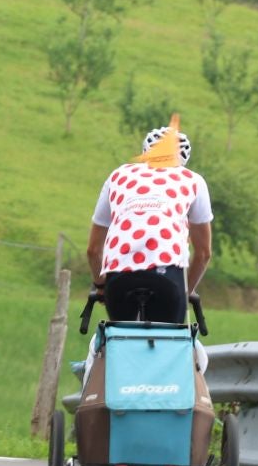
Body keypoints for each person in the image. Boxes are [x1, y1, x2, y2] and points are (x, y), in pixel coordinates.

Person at [86, 126, 212, 324]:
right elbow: (203, 253)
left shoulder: (118, 175)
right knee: (169, 346)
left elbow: (93, 250)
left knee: (119, 342)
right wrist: (186, 291)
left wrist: (101, 287)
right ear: (182, 160)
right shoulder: (192, 180)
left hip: (120, 276)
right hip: (167, 273)